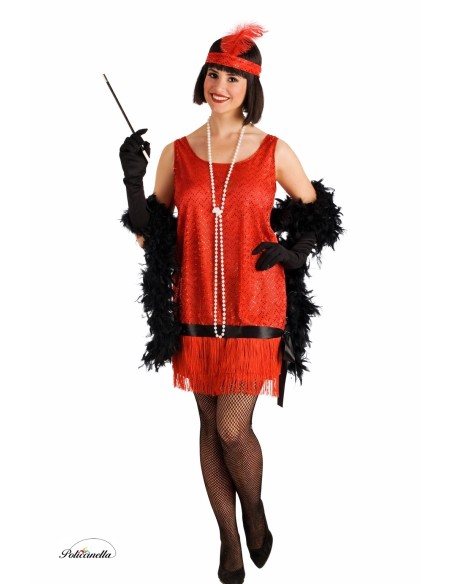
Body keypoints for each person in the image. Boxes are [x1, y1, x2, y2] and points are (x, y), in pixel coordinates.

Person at [118, 23, 343, 584]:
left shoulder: (271, 150)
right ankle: (228, 536)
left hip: (256, 306)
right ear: (203, 77)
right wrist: (132, 180)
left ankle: (255, 508)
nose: (220, 86)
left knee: (232, 428)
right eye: (214, 74)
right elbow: (153, 236)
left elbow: (317, 211)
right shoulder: (177, 153)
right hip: (195, 306)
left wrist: (294, 252)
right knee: (207, 425)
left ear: (251, 87)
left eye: (234, 78)